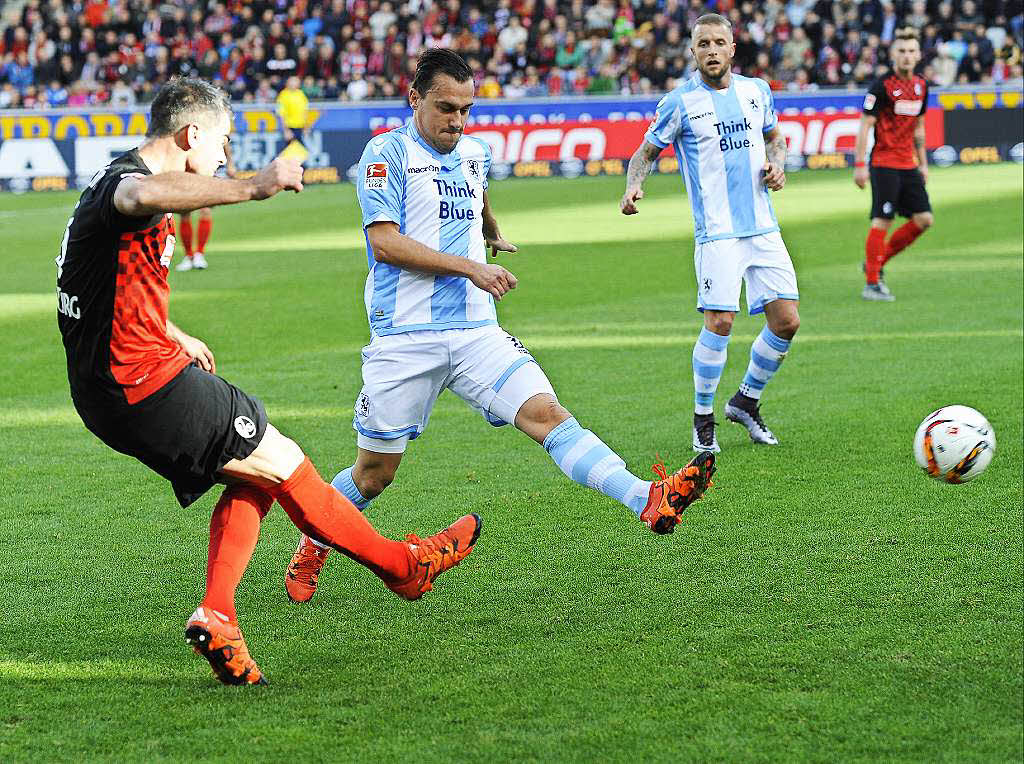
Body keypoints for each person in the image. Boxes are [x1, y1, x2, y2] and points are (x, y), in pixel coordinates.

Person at [55, 77, 481, 687]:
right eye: (223, 141)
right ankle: (402, 568)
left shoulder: (103, 181)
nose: (227, 154)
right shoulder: (128, 185)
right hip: (141, 383)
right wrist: (253, 186)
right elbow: (143, 193)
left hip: (110, 387)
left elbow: (88, 285)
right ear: (190, 134)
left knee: (254, 467)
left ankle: (220, 615)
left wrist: (170, 330)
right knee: (287, 463)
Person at [283, 49, 715, 604]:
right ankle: (313, 544)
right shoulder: (384, 154)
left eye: (466, 109)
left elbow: (476, 190)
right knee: (373, 476)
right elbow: (384, 244)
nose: (457, 121)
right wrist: (474, 266)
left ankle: (645, 498)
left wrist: (490, 229)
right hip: (405, 337)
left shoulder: (474, 152)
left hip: (475, 330)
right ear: (414, 99)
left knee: (547, 415)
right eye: (445, 108)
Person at [620, 13, 800, 454]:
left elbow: (776, 139)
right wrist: (633, 184)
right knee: (720, 322)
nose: (713, 51)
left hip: (763, 227)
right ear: (693, 51)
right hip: (717, 233)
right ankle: (703, 419)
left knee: (787, 321)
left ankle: (745, 401)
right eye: (704, 44)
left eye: (720, 42)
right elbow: (644, 154)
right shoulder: (679, 103)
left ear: (733, 48)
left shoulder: (756, 92)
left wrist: (779, 165)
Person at [854, 27, 934, 301]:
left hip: (908, 164)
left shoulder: (922, 86)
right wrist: (859, 165)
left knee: (924, 219)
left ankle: (875, 263)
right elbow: (865, 126)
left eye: (912, 51)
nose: (907, 56)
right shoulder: (882, 86)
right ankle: (872, 284)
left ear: (919, 54)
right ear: (893, 55)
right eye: (902, 51)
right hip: (884, 163)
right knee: (882, 220)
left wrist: (923, 163)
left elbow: (920, 127)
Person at [176, 143, 232, 272]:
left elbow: (223, 141)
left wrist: (230, 163)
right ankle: (188, 256)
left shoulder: (209, 126)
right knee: (185, 212)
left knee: (205, 210)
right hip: (185, 170)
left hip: (205, 169)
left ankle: (199, 254)